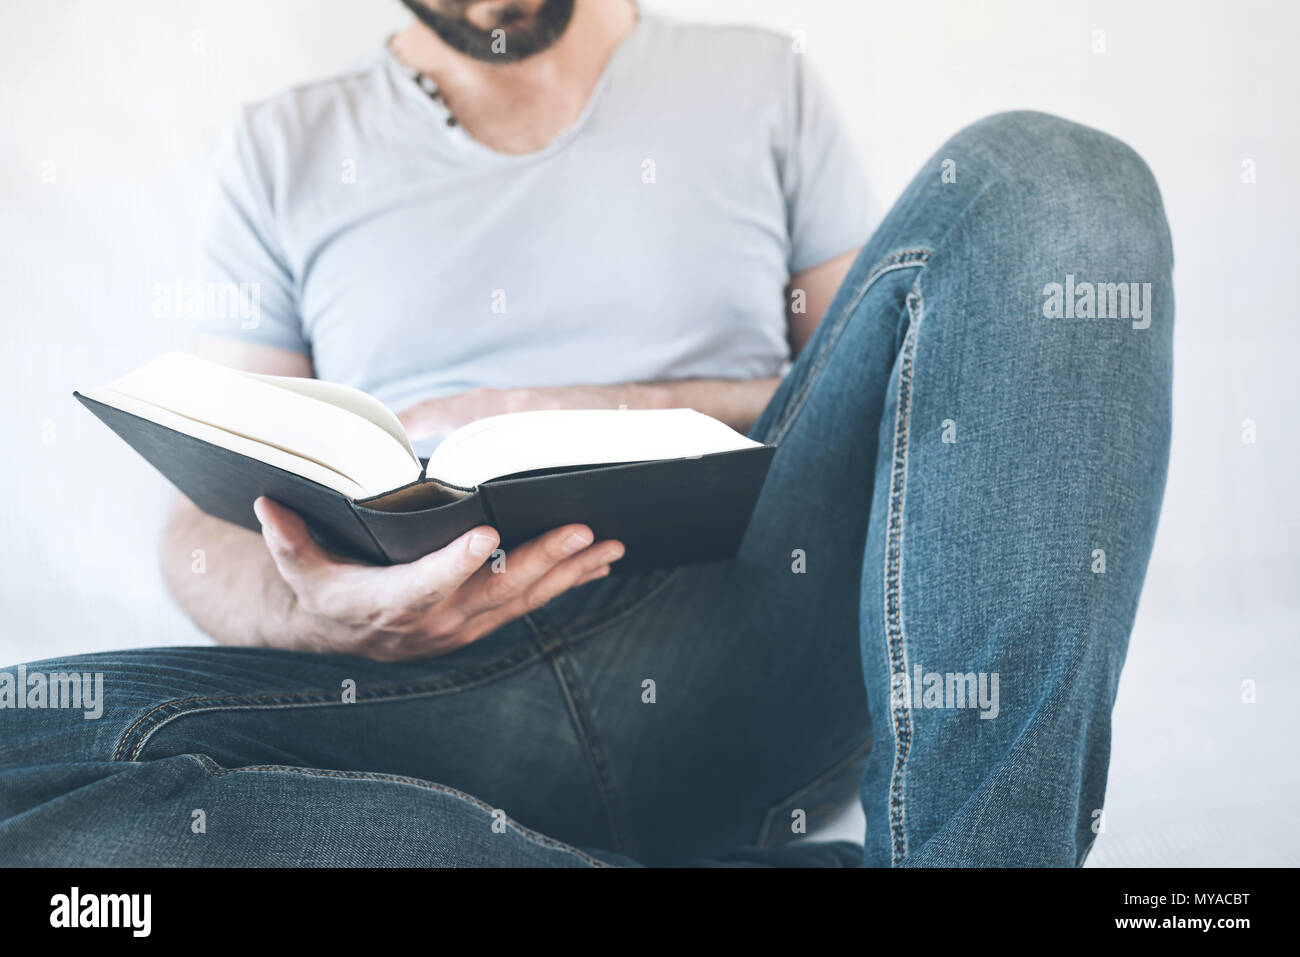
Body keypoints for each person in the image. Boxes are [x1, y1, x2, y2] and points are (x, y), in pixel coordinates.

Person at [0, 0, 1172, 866]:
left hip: (749, 643)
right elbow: (203, 530)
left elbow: (910, 373)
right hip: (423, 711)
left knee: (1050, 180)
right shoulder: (281, 148)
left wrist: (573, 411)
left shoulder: (757, 82)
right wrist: (307, 610)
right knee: (21, 746)